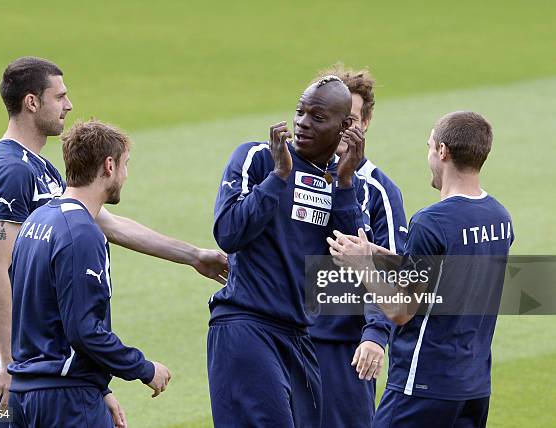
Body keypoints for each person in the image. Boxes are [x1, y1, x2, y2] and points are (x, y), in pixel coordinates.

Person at [0, 57, 227, 424]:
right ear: (32, 102)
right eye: (59, 96)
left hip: (46, 351)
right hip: (16, 346)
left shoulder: (39, 167)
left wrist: (192, 256)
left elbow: (105, 223)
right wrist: (9, 362)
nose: (69, 105)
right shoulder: (12, 171)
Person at [329, 111, 513, 428]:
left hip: (423, 385)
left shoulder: (432, 221)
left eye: (429, 146)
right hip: (474, 387)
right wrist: (374, 252)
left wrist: (362, 267)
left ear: (443, 151)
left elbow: (402, 310)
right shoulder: (499, 217)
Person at [208, 76, 366, 427]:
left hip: (299, 335)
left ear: (345, 128)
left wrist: (344, 184)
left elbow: (356, 265)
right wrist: (279, 176)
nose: (302, 123)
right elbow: (229, 232)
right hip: (247, 325)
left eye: (317, 117)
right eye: (300, 112)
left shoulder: (336, 182)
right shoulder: (259, 158)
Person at [7, 120, 169, 427]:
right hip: (66, 401)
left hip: (27, 395)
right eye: (125, 164)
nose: (125, 175)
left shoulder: (37, 220)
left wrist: (100, 387)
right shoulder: (82, 232)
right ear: (109, 165)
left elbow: (39, 313)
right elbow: (84, 330)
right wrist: (144, 369)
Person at [309, 66, 407, 428]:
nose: (341, 129)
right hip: (286, 340)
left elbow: (395, 271)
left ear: (365, 123)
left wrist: (376, 335)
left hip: (344, 352)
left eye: (349, 120)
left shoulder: (379, 191)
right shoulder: (292, 175)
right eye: (333, 118)